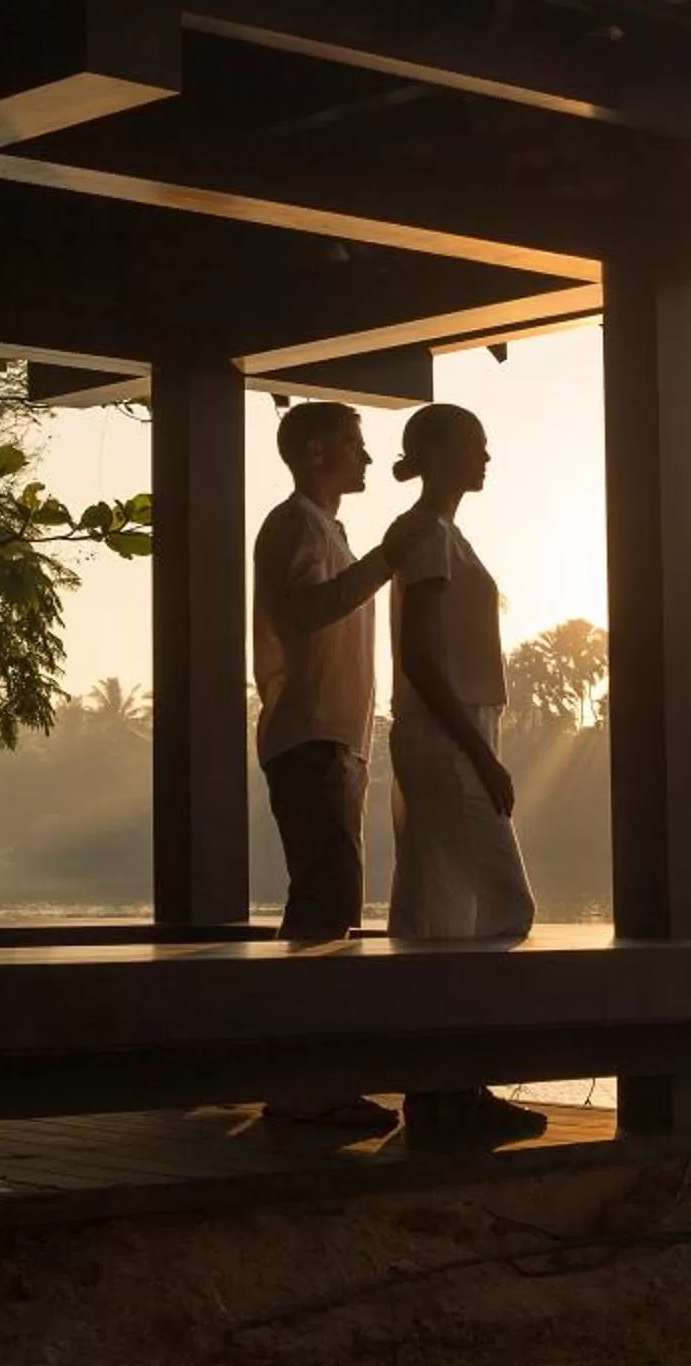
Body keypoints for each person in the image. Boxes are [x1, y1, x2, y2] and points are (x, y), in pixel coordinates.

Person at [383, 403, 548, 1146]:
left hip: (455, 730)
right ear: (441, 452)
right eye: (476, 446)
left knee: (443, 915)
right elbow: (419, 657)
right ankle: (457, 1084)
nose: (487, 458)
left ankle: (441, 1092)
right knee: (504, 907)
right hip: (447, 735)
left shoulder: (444, 533)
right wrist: (478, 753)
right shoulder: (426, 534)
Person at [250, 399, 406, 1133]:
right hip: (310, 735)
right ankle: (303, 1086)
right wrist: (387, 560)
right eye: (353, 444)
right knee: (325, 907)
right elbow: (306, 613)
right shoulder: (295, 525)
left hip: (334, 738)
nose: (367, 457)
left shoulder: (326, 529)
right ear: (316, 452)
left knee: (328, 905)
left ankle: (306, 1078)